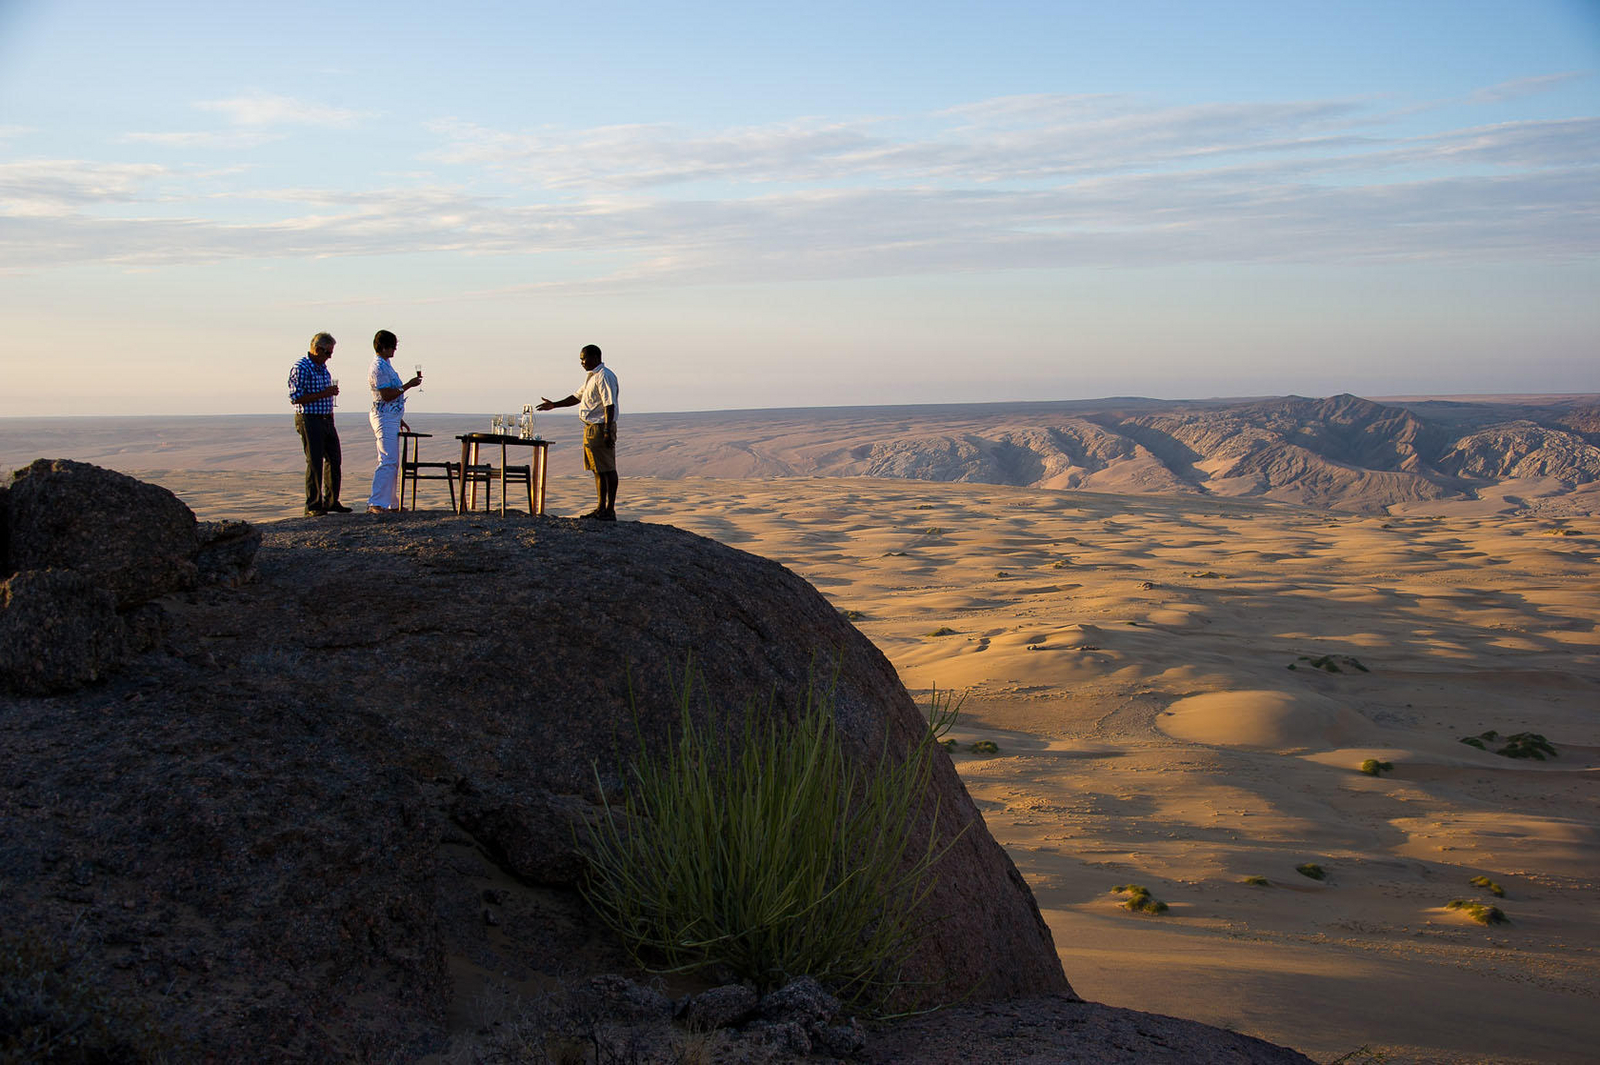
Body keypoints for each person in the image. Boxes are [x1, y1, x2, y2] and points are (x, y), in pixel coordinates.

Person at [538, 344, 620, 520]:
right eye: (581, 359)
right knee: (597, 469)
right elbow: (576, 397)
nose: (582, 362)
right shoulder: (591, 377)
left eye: (585, 358)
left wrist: (606, 430)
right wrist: (554, 405)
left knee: (607, 468)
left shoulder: (604, 376)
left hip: (600, 426)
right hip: (591, 428)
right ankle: (601, 508)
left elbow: (609, 404)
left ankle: (609, 509)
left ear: (596, 357)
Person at [288, 332, 348, 515]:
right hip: (309, 419)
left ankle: (331, 501)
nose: (329, 357)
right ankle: (313, 505)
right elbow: (295, 397)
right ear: (317, 349)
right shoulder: (301, 367)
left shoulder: (322, 368)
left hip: (326, 418)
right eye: (328, 353)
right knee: (314, 462)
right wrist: (325, 393)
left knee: (334, 459)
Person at [365, 330, 423, 514]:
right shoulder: (378, 368)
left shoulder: (386, 365)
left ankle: (390, 502)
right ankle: (376, 502)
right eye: (392, 347)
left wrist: (399, 418)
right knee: (387, 459)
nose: (394, 350)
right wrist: (408, 385)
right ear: (383, 346)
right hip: (384, 417)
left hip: (391, 417)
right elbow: (386, 394)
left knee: (392, 461)